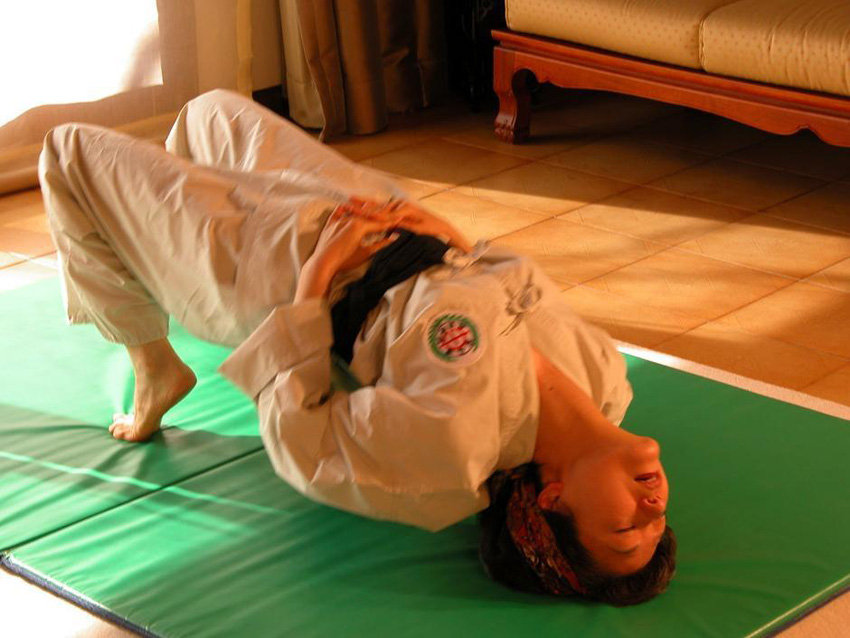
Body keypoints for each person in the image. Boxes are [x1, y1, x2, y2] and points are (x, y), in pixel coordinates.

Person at [39, 89, 676, 605]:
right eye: (659, 522)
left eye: (627, 529)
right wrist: (450, 237)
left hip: (288, 264)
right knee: (206, 113)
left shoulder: (456, 452)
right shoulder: (605, 380)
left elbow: (305, 443)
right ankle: (166, 241)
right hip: (378, 211)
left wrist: (314, 282)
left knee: (66, 153)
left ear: (553, 500)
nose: (652, 507)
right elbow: (512, 288)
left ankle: (155, 366)